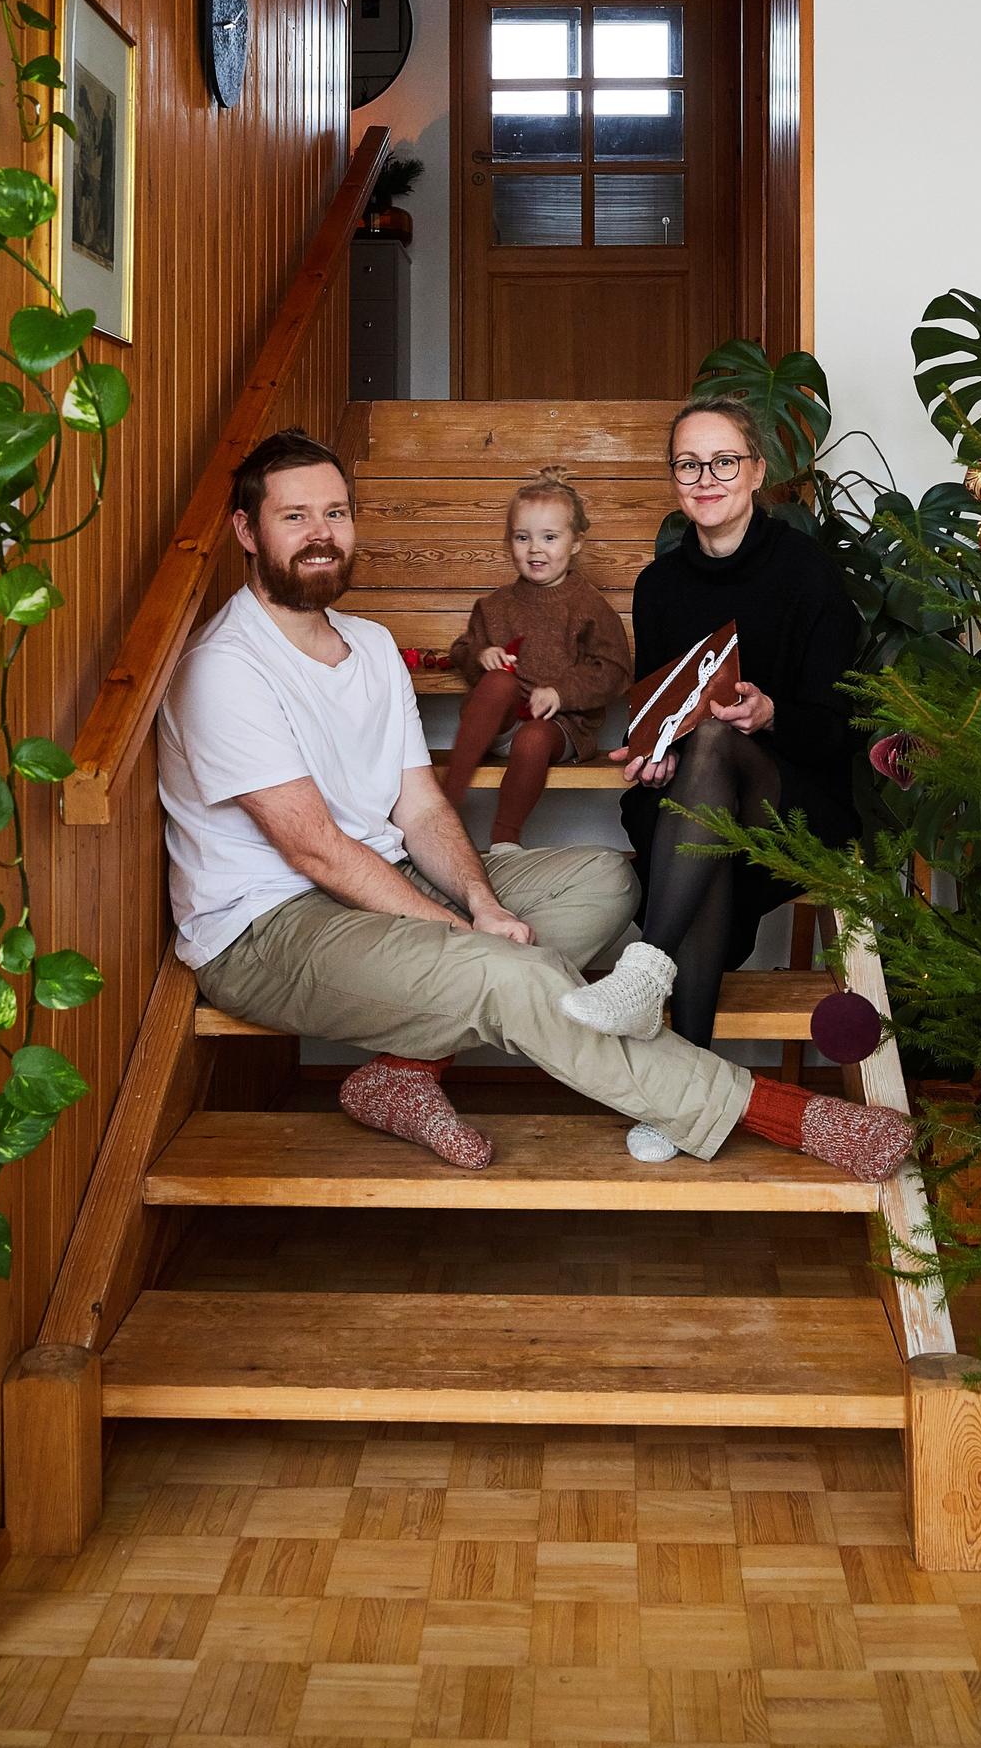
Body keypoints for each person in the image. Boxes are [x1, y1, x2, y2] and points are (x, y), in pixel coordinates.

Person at [156, 425, 910, 1182]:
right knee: (508, 975)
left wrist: (481, 902)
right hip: (269, 928)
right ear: (246, 532)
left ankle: (404, 1070)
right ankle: (785, 1115)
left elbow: (419, 811)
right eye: (296, 517)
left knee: (611, 882)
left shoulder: (371, 646)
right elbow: (313, 848)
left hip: (382, 878)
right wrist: (463, 932)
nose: (322, 535)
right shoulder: (225, 668)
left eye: (337, 514)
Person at [561, 400, 861, 1163]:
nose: (706, 479)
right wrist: (654, 752)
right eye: (689, 465)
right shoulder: (659, 584)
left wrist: (771, 715)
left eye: (723, 461)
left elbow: (841, 729)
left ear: (757, 471)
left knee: (722, 742)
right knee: (698, 771)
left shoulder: (810, 575)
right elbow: (666, 711)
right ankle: (682, 1094)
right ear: (674, 479)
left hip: (797, 795)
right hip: (699, 795)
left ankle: (650, 990)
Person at [442, 468, 630, 847]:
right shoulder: (494, 605)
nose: (534, 549)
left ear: (575, 542)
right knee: (499, 682)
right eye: (522, 537)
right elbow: (461, 650)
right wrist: (482, 655)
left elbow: (614, 669)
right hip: (501, 723)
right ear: (508, 541)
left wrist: (561, 692)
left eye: (549, 537)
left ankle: (504, 840)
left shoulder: (588, 606)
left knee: (533, 738)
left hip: (560, 726)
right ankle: (446, 803)